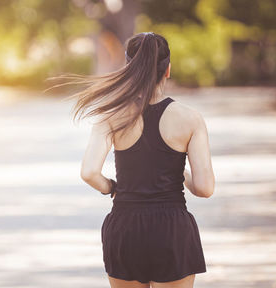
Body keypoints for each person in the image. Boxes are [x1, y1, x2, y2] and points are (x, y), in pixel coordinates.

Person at [56, 32, 215, 288]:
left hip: (125, 227)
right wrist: (179, 172)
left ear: (129, 69)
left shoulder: (112, 115)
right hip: (171, 229)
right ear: (168, 70)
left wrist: (112, 188)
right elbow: (205, 188)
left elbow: (89, 172)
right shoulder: (190, 119)